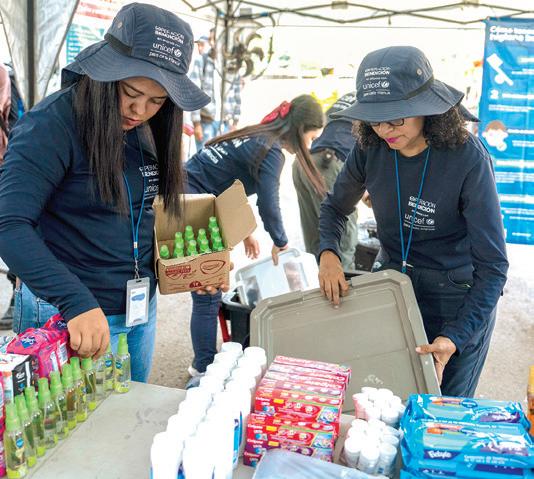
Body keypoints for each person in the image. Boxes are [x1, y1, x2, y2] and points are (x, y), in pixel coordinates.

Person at [0, 3, 210, 381]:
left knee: (132, 413)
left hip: (138, 309)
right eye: (131, 92)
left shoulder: (149, 126)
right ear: (104, 74)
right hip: (68, 315)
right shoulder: (51, 125)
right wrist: (75, 301)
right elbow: (9, 223)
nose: (139, 110)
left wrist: (194, 264)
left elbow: (145, 211)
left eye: (157, 100)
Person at [318, 46, 508, 398]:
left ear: (428, 110)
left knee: (444, 408)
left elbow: (494, 267)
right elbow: (334, 208)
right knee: (384, 398)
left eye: (396, 119)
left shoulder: (469, 158)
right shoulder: (369, 148)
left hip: (457, 296)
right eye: (376, 120)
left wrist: (455, 336)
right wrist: (328, 253)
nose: (385, 130)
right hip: (393, 283)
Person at [185, 95, 325, 383]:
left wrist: (247, 233)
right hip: (194, 206)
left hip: (191, 195)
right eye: (311, 138)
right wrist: (281, 242)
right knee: (207, 293)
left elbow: (227, 184)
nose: (310, 146)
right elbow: (269, 203)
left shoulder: (257, 136)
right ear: (300, 129)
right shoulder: (271, 152)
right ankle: (203, 370)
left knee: (210, 291)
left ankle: (205, 362)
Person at [292, 91, 358, 270]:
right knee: (341, 241)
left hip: (302, 162)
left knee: (316, 237)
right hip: (327, 164)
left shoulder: (353, 96)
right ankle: (342, 284)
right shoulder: (385, 105)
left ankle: (317, 282)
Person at [189, 28, 242, 150]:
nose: (212, 43)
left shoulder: (232, 65)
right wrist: (196, 124)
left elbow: (237, 95)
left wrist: (235, 123)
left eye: (215, 39)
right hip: (206, 124)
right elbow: (194, 92)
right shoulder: (201, 61)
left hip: (225, 125)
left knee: (223, 157)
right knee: (204, 156)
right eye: (210, 39)